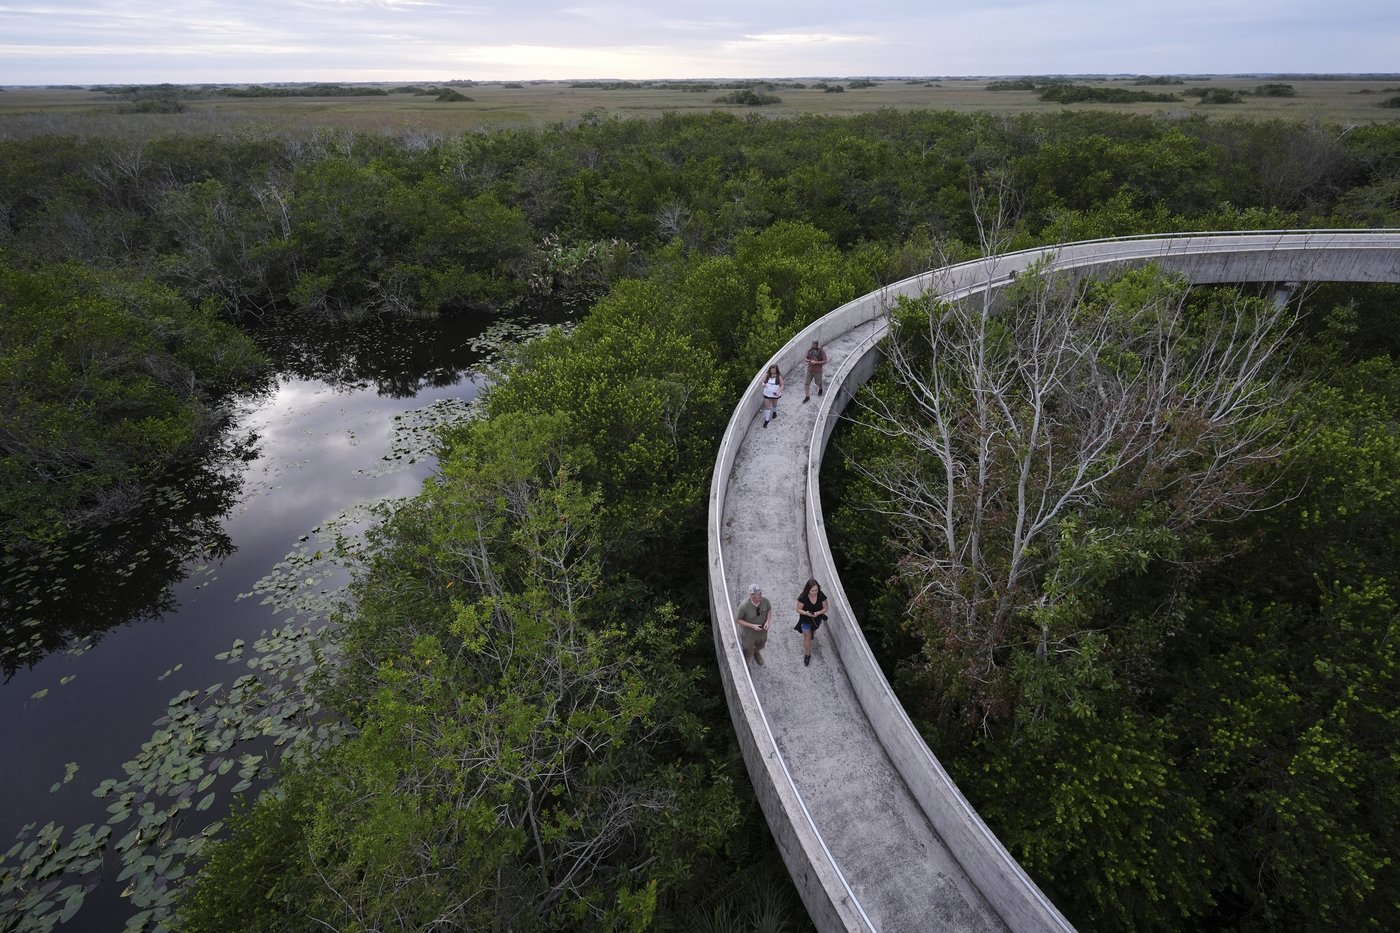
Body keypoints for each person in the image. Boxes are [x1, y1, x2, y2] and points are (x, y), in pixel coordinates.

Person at [793, 577, 828, 666]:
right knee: (807, 637)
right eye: (812, 591)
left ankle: (812, 632)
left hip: (817, 618)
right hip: (805, 618)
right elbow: (798, 609)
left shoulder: (821, 595)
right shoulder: (803, 597)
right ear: (808, 589)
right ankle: (807, 654)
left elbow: (825, 608)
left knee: (813, 630)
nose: (814, 592)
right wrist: (806, 613)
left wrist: (818, 613)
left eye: (816, 590)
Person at [735, 584, 772, 666]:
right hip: (749, 635)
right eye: (758, 594)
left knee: (761, 645)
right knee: (748, 650)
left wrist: (767, 622)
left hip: (762, 633)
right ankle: (747, 665)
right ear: (751, 595)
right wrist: (752, 626)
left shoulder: (765, 601)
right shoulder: (744, 606)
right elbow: (738, 620)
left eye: (760, 593)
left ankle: (756, 652)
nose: (760, 595)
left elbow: (769, 609)